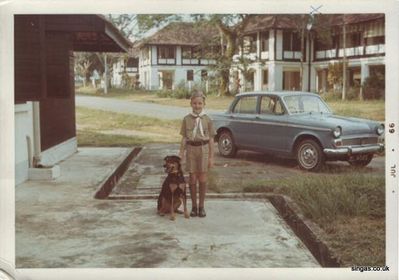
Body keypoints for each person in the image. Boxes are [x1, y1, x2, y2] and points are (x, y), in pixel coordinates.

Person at [179, 90, 216, 218]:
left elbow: (211, 139)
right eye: (195, 103)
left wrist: (211, 157)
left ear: (204, 104)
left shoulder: (208, 119)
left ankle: (202, 206)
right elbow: (184, 138)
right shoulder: (186, 119)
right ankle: (194, 207)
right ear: (191, 104)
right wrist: (181, 154)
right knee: (192, 177)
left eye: (200, 103)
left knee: (203, 177)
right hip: (191, 150)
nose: (197, 106)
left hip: (203, 149)